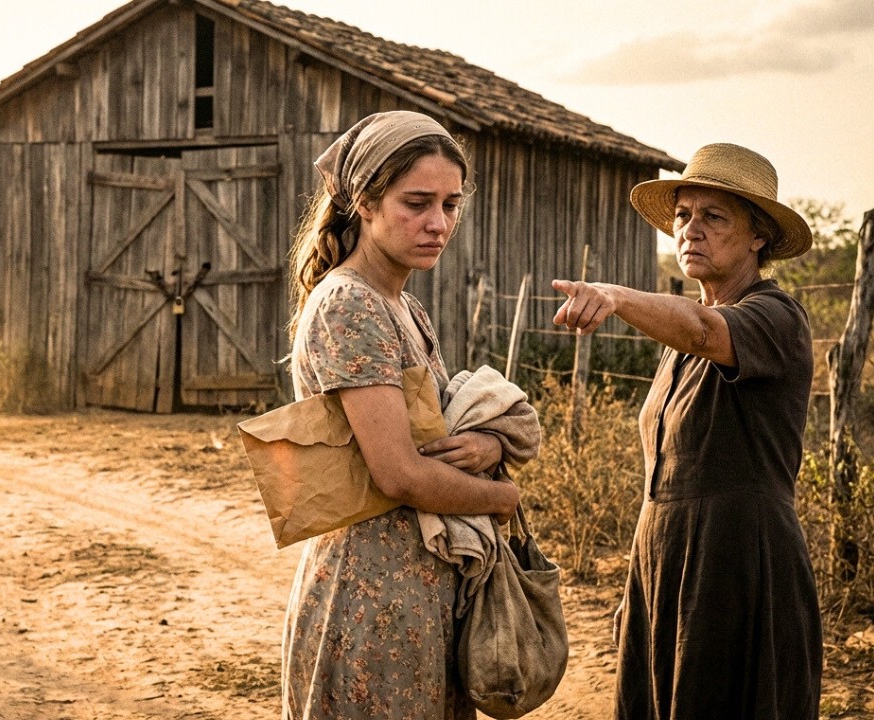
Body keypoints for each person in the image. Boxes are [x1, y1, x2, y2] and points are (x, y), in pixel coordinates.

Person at [551, 143, 822, 720]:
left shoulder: (776, 318)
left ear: (758, 236)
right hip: (666, 565)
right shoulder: (675, 345)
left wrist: (614, 296)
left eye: (713, 217)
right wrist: (639, 586)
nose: (690, 230)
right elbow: (664, 478)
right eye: (682, 215)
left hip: (739, 566)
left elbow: (704, 329)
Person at [281, 110, 519, 718]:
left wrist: (490, 445)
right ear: (364, 202)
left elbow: (439, 431)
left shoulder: (404, 306)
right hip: (371, 594)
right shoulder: (349, 303)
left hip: (420, 586)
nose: (438, 223)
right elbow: (400, 474)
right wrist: (502, 498)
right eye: (417, 203)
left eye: (450, 204)